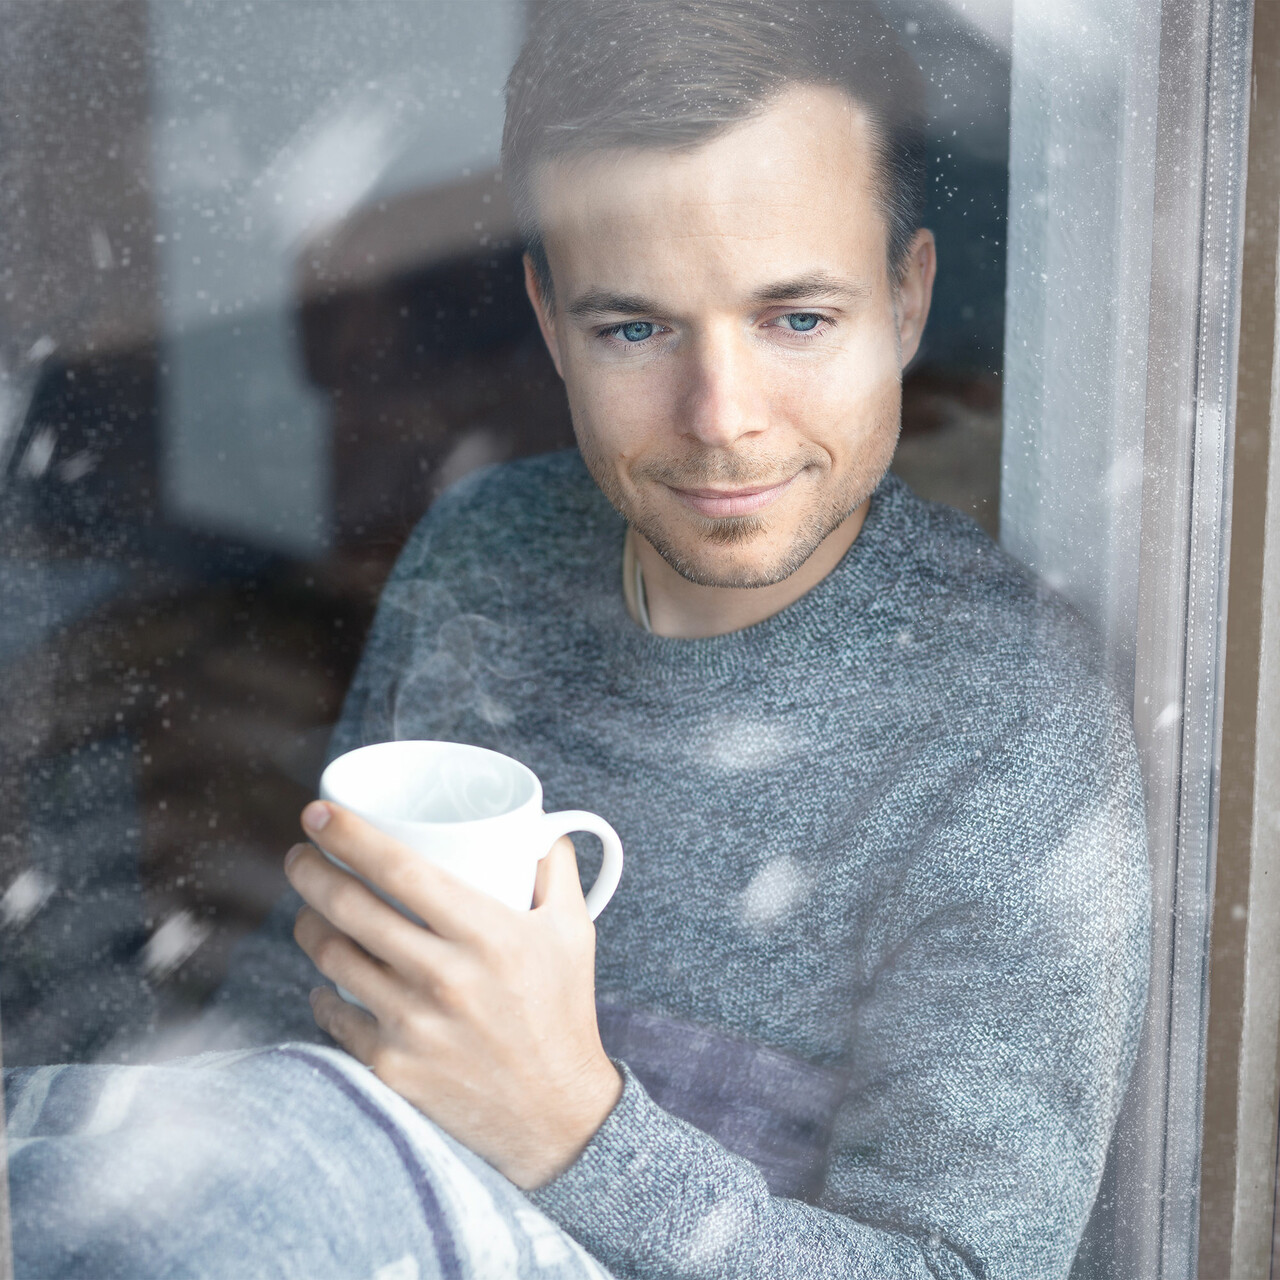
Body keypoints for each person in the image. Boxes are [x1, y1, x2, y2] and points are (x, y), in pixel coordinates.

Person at [6, 2, 1151, 1277]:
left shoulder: (1012, 731)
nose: (720, 418)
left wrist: (567, 1131)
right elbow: (303, 1010)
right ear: (550, 323)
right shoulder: (484, 558)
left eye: (796, 319)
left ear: (906, 299)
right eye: (635, 329)